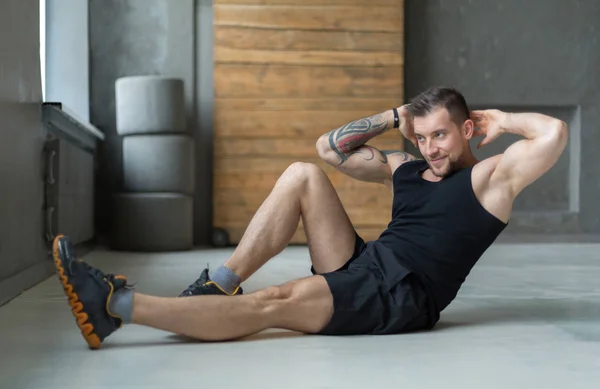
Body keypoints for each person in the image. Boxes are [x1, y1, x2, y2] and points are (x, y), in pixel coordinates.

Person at [52, 86, 569, 349]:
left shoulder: (487, 183)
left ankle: (115, 306)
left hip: (402, 295)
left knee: (277, 302)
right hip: (367, 263)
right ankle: (218, 286)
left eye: (442, 134)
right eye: (423, 135)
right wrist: (394, 118)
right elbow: (328, 148)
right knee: (302, 172)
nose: (431, 147)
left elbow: (553, 135)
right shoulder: (406, 167)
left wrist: (499, 119)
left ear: (466, 130)